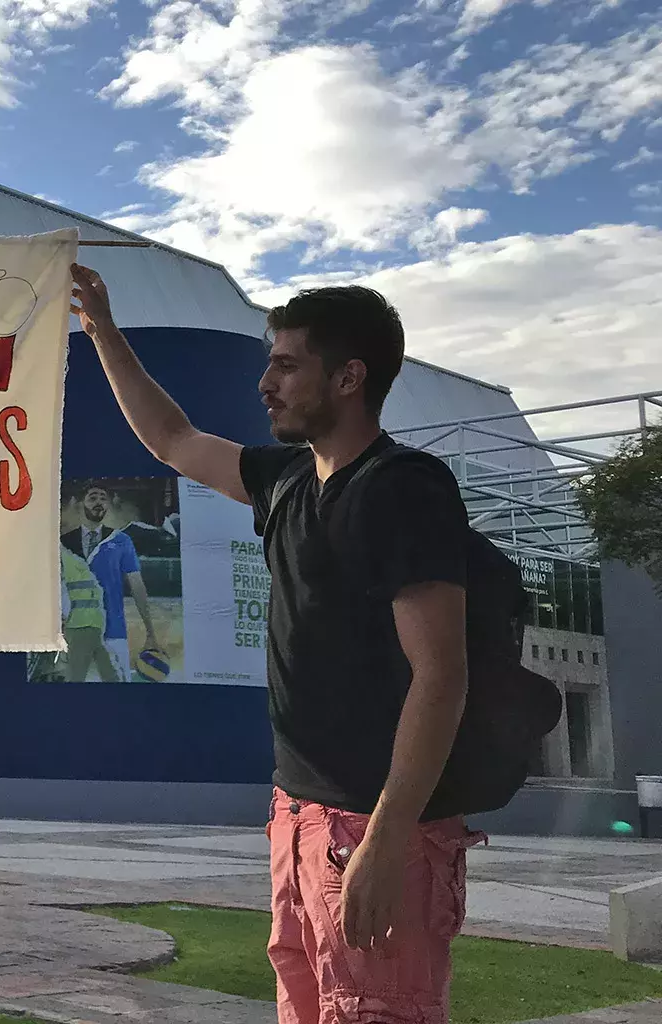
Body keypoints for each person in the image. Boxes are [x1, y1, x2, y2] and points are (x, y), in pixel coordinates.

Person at [70, 264, 480, 1024]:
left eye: (288, 364)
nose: (267, 383)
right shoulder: (287, 479)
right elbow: (173, 439)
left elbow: (442, 675)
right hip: (298, 815)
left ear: (350, 376)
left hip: (377, 825)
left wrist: (387, 840)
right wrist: (104, 333)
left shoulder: (404, 487)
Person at [60, 484, 159, 681]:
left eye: (103, 498)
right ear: (81, 504)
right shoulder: (64, 542)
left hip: (113, 632)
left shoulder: (122, 541)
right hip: (74, 632)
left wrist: (150, 631)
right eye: (92, 497)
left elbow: (137, 585)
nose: (98, 502)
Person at [56, 545, 115, 682]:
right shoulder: (80, 568)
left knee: (75, 675)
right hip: (93, 625)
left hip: (79, 626)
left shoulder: (68, 564)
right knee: (108, 672)